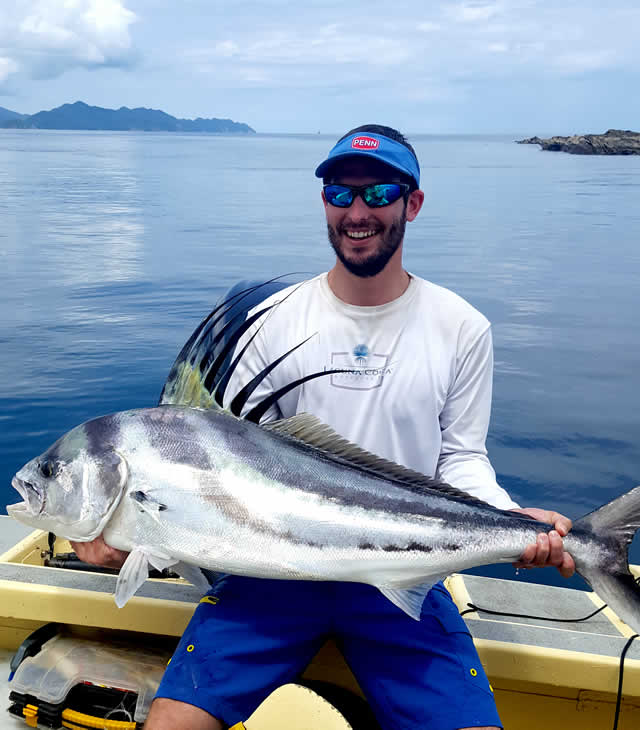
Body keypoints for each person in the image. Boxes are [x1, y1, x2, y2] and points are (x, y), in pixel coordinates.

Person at [73, 124, 575, 730]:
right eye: (341, 194)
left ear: (412, 203)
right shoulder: (270, 322)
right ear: (324, 203)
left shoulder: (461, 326)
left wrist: (510, 518)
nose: (358, 212)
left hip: (400, 568)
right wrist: (130, 533)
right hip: (272, 572)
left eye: (379, 193)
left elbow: (462, 461)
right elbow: (224, 475)